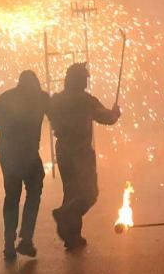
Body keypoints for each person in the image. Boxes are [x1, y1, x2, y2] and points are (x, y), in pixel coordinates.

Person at [48, 62, 120, 251]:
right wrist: (115, 113)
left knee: (71, 193)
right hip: (81, 153)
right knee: (89, 194)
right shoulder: (86, 100)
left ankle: (72, 237)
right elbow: (107, 118)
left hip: (63, 151)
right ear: (80, 80)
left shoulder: (57, 100)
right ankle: (65, 214)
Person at [0, 70, 49, 261]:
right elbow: (58, 112)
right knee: (34, 190)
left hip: (8, 154)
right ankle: (26, 237)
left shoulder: (6, 98)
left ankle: (9, 243)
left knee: (12, 196)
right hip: (28, 153)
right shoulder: (40, 98)